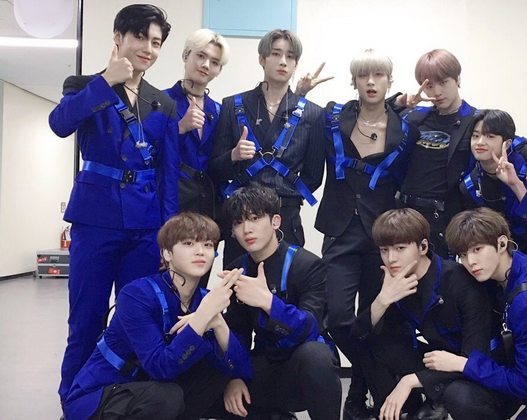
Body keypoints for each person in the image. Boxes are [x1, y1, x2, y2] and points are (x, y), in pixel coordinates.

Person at [48, 4, 179, 403]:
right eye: (140, 37)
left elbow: (168, 175)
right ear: (118, 37)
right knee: (85, 319)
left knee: (135, 320)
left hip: (145, 227)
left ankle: (123, 401)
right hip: (95, 220)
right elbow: (60, 123)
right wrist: (107, 80)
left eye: (156, 42)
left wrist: (167, 237)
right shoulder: (85, 85)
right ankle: (74, 401)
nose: (148, 49)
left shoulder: (163, 103)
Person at [61, 212, 251, 420]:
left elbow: (240, 367)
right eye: (188, 243)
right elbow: (161, 367)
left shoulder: (205, 299)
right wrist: (203, 316)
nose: (200, 251)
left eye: (207, 245)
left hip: (147, 389)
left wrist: (219, 323)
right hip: (100, 395)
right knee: (166, 397)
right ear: (167, 254)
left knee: (219, 374)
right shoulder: (137, 295)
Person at [316, 48, 419, 420]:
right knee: (338, 318)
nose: (371, 82)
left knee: (378, 320)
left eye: (378, 75)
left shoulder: (407, 129)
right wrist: (299, 89)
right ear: (354, 81)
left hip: (383, 239)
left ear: (390, 81)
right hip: (340, 232)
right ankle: (379, 386)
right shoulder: (334, 117)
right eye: (363, 75)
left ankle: (357, 397)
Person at [393, 49, 527, 259]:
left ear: (457, 79)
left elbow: (508, 141)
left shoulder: (475, 119)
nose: (437, 92)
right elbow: (374, 122)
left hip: (447, 216)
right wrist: (399, 103)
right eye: (430, 86)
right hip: (407, 213)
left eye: (444, 82)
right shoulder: (414, 116)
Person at [419, 208, 527, 419]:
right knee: (458, 392)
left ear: (502, 244)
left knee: (460, 395)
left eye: (477, 249)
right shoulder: (507, 269)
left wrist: (463, 364)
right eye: (463, 255)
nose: (471, 261)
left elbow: (526, 383)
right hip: (517, 370)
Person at [352, 208, 493, 420]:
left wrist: (410, 380)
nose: (391, 258)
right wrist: (382, 300)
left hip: (473, 363)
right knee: (370, 342)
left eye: (400, 248)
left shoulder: (459, 280)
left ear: (423, 247)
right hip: (436, 356)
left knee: (459, 394)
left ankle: (433, 401)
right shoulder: (393, 280)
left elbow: (475, 356)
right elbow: (358, 336)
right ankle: (397, 411)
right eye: (384, 250)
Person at [220, 183, 341, 420]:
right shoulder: (237, 269)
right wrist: (234, 377)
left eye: (254, 218)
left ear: (275, 221)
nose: (247, 229)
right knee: (212, 376)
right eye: (238, 222)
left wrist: (267, 302)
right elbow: (238, 332)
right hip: (266, 364)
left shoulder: (308, 265)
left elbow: (310, 328)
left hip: (302, 367)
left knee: (316, 355)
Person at [209, 29, 325, 267]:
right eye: (276, 54)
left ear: (296, 64)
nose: (283, 61)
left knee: (285, 282)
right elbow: (215, 168)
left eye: (290, 57)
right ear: (262, 59)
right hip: (242, 217)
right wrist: (233, 156)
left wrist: (283, 193)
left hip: (285, 215)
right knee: (237, 282)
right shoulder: (233, 105)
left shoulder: (313, 114)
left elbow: (313, 176)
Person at [461, 109, 527, 290]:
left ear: (507, 143)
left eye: (490, 136)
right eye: (475, 136)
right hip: (508, 265)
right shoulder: (470, 185)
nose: (480, 142)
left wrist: (516, 185)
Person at [165, 28, 229, 288]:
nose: (205, 65)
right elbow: (147, 153)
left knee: (199, 285)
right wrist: (179, 128)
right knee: (167, 282)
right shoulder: (161, 101)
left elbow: (218, 162)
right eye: (200, 56)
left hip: (208, 210)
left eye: (214, 62)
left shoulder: (220, 111)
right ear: (185, 56)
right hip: (171, 204)